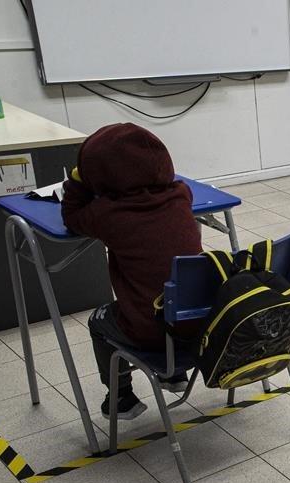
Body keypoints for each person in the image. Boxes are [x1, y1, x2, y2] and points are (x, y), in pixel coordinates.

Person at [61, 123, 202, 419]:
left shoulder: (107, 214)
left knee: (98, 321)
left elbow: (71, 217)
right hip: (196, 326)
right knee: (167, 293)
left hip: (148, 329)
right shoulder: (181, 195)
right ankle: (172, 374)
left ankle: (121, 397)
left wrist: (77, 181)